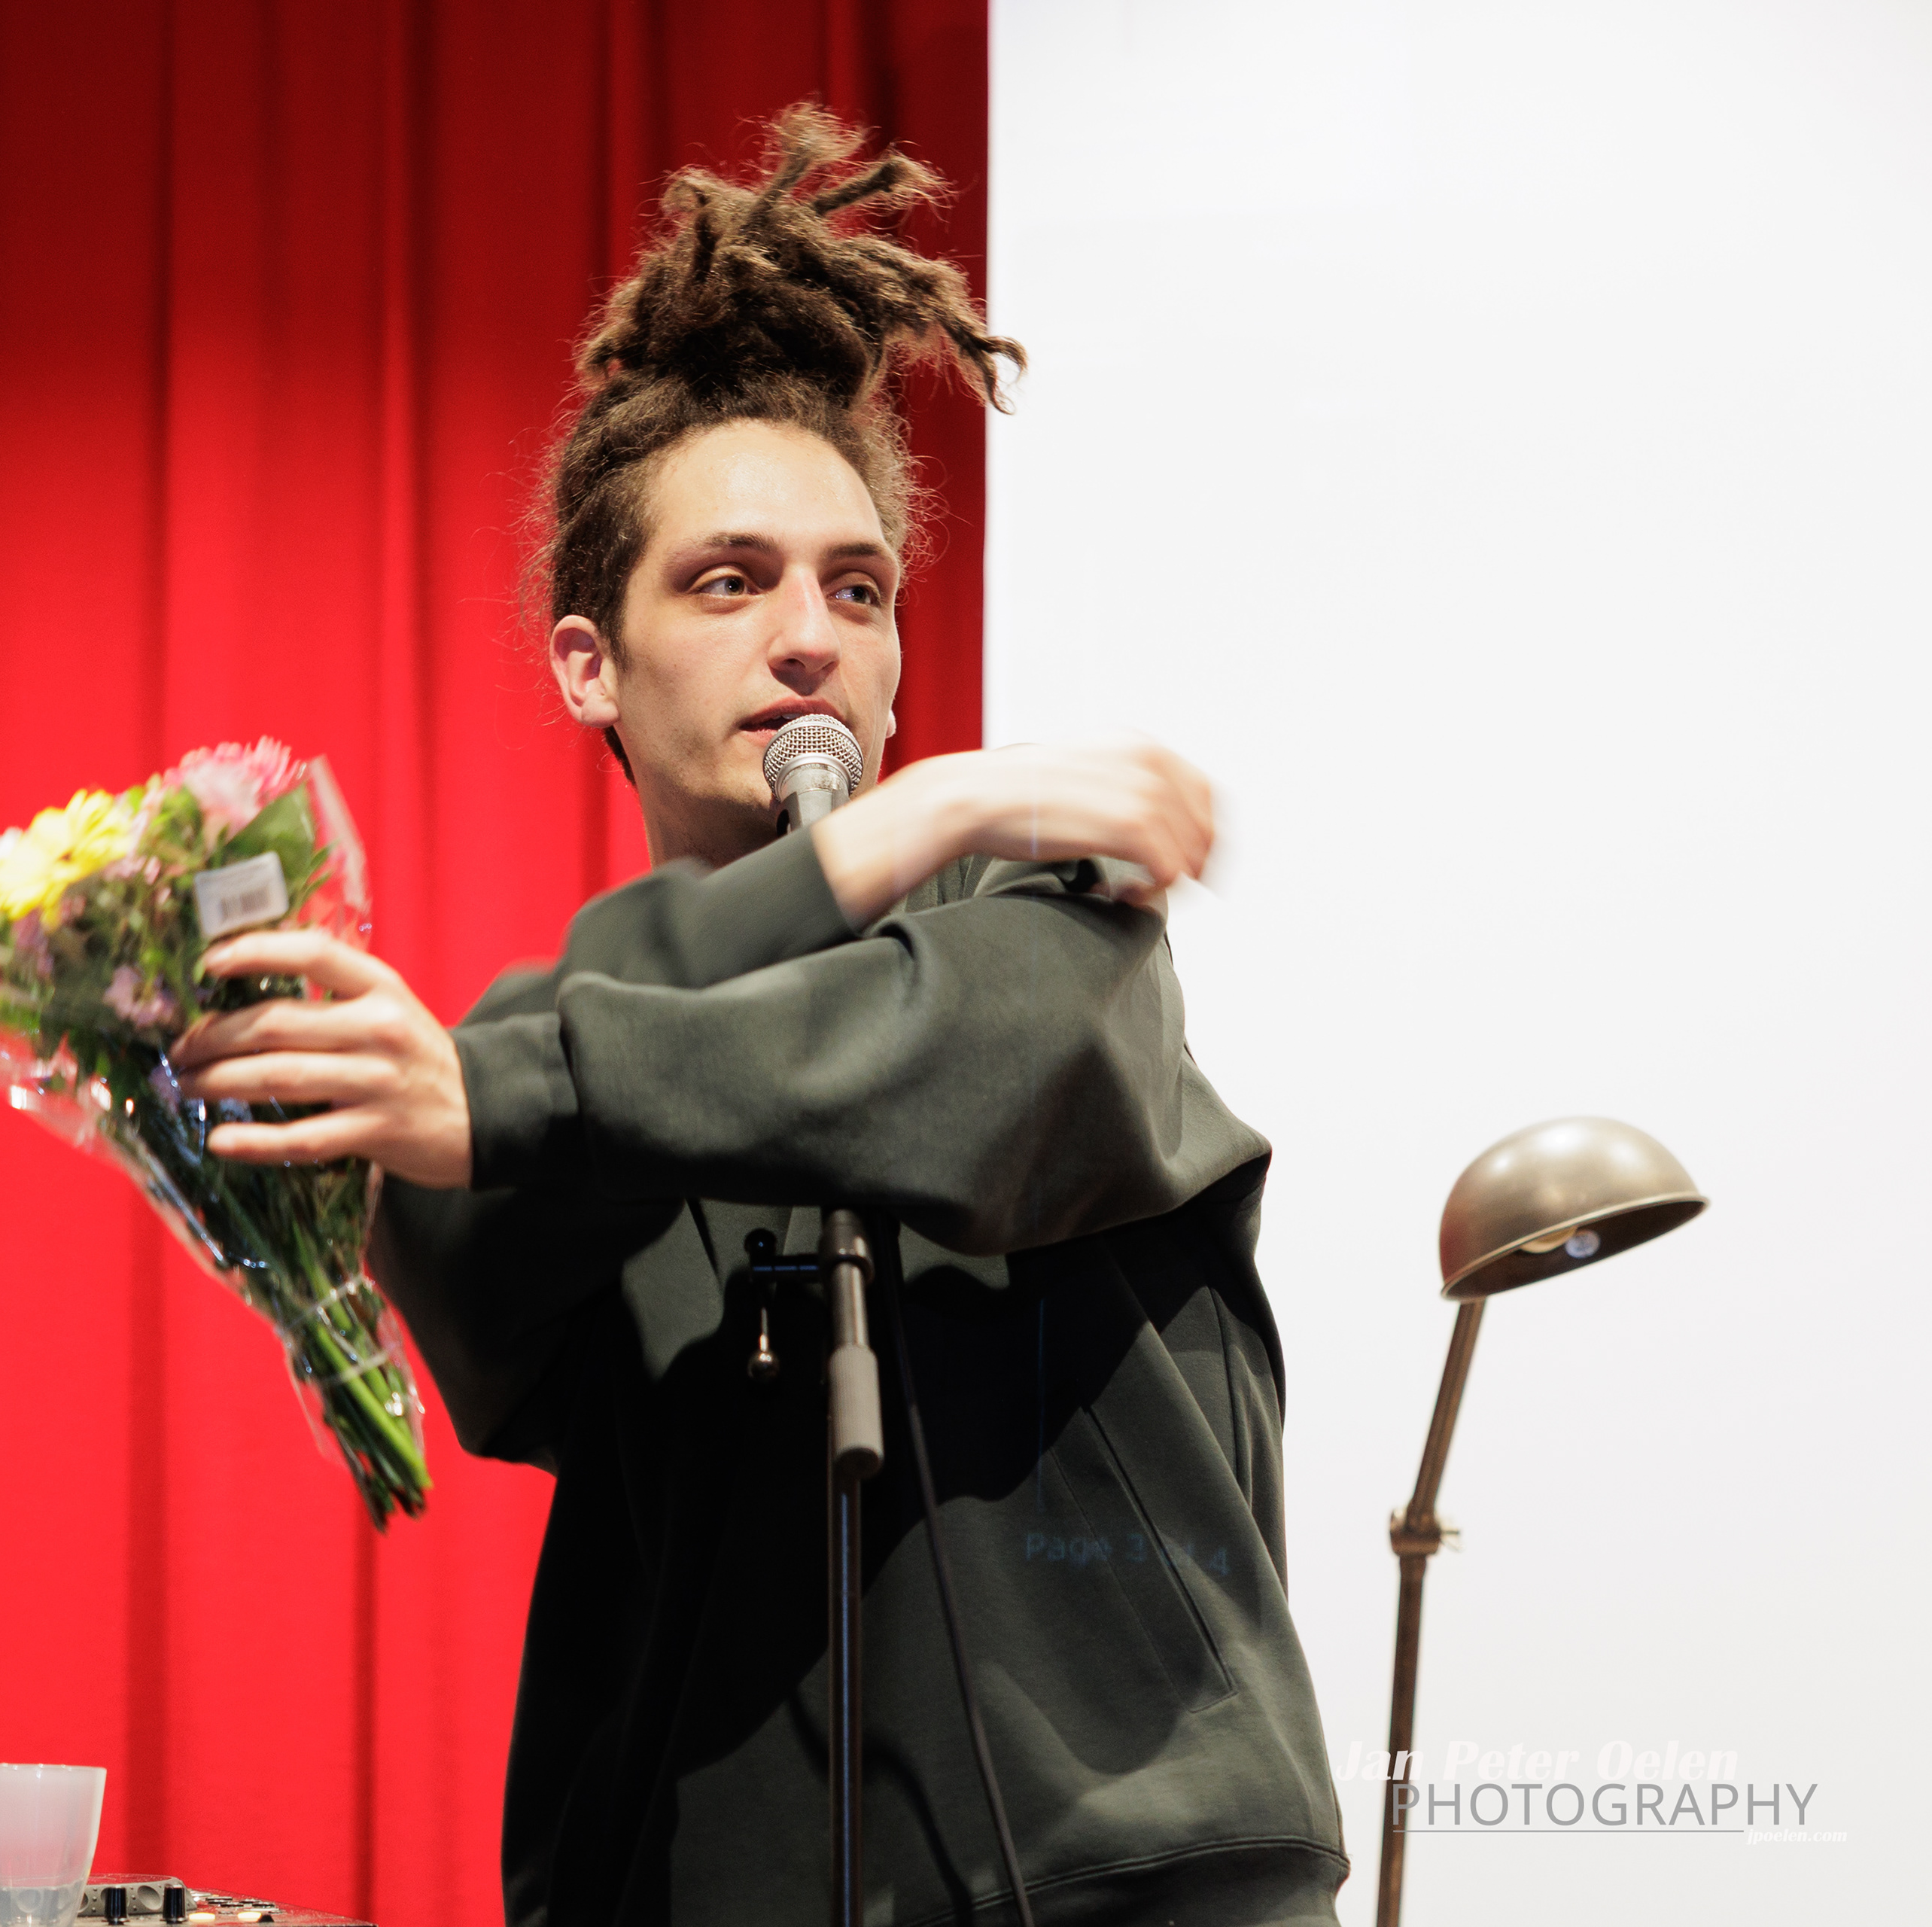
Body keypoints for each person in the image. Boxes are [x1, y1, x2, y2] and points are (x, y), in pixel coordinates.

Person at [169, 109, 1346, 1925]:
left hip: (1134, 1868)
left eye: (857, 589)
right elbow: (475, 1250)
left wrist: (935, 832)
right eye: (732, 580)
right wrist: (903, 820)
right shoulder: (554, 1037)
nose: (811, 637)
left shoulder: (1051, 911)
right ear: (591, 661)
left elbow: (976, 1063)